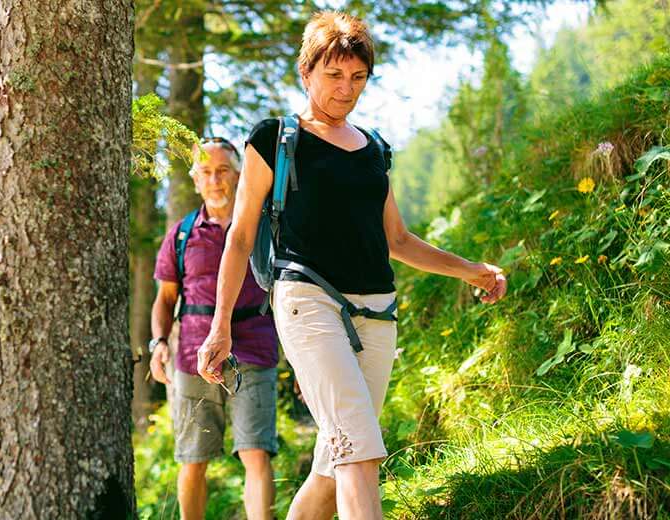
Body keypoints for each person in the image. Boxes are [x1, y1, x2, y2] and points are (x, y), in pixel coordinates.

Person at [195, 11, 507, 520]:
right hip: (306, 300)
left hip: (377, 312)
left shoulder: (374, 150)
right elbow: (241, 236)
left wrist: (471, 269)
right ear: (307, 72)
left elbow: (399, 240)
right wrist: (220, 327)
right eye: (334, 75)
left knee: (335, 456)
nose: (346, 88)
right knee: (360, 450)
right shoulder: (275, 139)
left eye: (357, 77)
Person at [148, 138, 278, 520]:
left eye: (223, 170)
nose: (215, 179)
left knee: (255, 451)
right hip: (191, 358)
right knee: (193, 459)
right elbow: (165, 299)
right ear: (195, 179)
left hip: (254, 350)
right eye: (206, 171)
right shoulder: (182, 233)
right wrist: (158, 342)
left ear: (238, 175)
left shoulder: (263, 227)